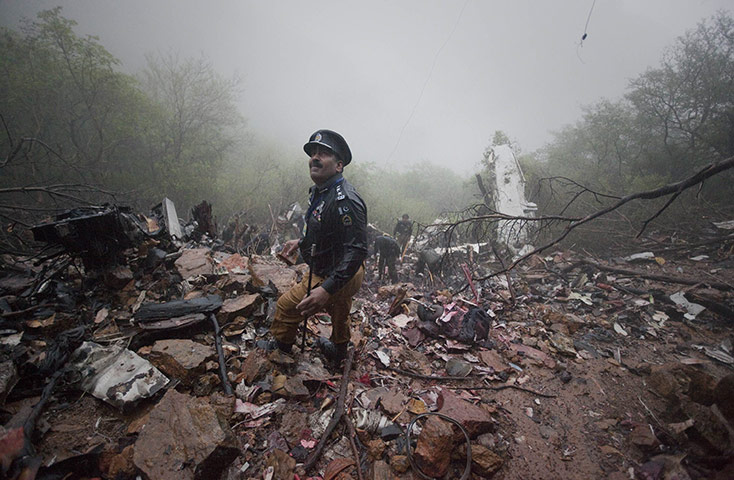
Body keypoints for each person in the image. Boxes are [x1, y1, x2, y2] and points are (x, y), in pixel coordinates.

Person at [270, 129, 368, 364]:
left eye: (323, 153)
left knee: (286, 307)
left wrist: (326, 289)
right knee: (340, 309)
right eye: (313, 153)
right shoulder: (321, 191)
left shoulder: (345, 200)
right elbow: (326, 230)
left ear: (339, 166)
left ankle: (280, 354)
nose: (315, 157)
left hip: (339, 271)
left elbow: (357, 249)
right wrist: (301, 242)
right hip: (338, 268)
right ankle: (339, 352)